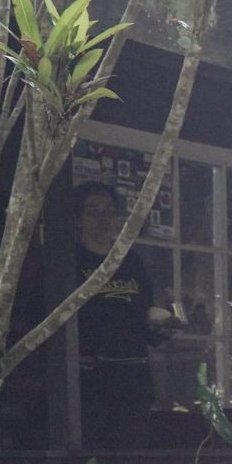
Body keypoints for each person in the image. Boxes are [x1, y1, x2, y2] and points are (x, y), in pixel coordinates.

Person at [72, 179, 169, 421]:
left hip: (134, 379)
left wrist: (163, 327)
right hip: (90, 381)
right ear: (78, 219)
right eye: (92, 211)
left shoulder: (131, 262)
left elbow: (146, 316)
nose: (103, 218)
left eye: (109, 210)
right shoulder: (69, 262)